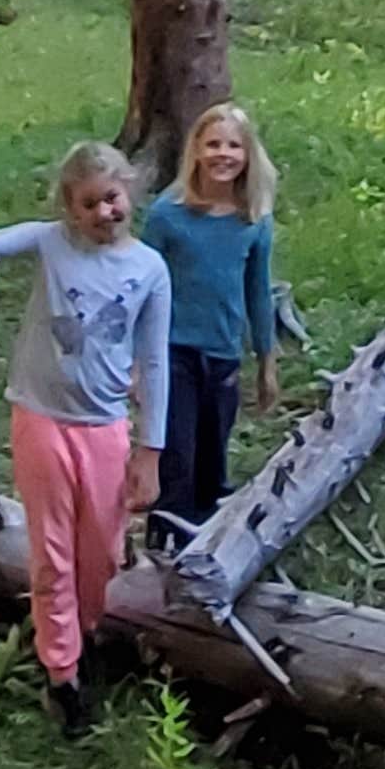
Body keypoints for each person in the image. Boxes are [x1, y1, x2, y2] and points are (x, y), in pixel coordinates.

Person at [0, 143, 168, 737]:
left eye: (112, 198)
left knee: (100, 552)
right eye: (88, 204)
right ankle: (62, 672)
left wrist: (151, 449)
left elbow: (154, 361)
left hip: (105, 427)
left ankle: (86, 629)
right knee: (52, 553)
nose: (103, 212)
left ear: (129, 193)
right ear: (70, 209)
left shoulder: (150, 269)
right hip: (42, 419)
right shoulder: (52, 242)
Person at [140, 101, 279, 541]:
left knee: (212, 455)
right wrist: (134, 361)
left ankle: (206, 542)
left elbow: (258, 291)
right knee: (176, 453)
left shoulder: (253, 219)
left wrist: (267, 361)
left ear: (248, 155)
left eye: (233, 146)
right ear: (196, 150)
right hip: (172, 352)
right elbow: (138, 286)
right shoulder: (168, 214)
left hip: (222, 354)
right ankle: (165, 541)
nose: (223, 154)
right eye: (213, 144)